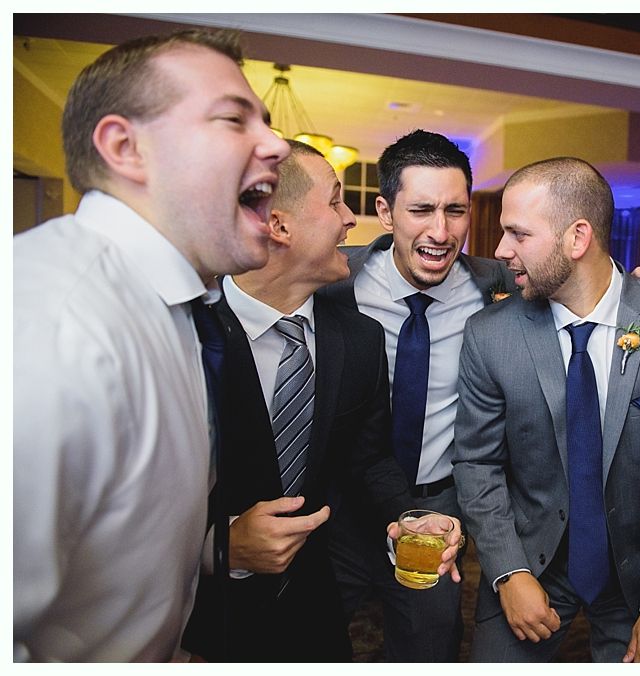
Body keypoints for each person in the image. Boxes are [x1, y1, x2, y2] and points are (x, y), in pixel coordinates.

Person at [320, 130, 640, 661]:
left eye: (456, 210)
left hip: (439, 508)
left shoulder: (498, 283)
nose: (441, 231)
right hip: (343, 505)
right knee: (310, 641)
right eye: (421, 210)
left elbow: (576, 271)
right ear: (385, 211)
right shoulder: (334, 281)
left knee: (429, 648)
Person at [13, 29, 289, 661]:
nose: (276, 145)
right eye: (232, 119)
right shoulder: (50, 325)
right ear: (124, 147)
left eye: (267, 123)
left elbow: (127, 531)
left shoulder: (178, 310)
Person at [180, 140, 463, 661]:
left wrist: (407, 515)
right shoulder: (185, 336)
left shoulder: (357, 339)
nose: (349, 220)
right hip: (194, 614)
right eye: (335, 201)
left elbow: (368, 455)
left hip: (311, 603)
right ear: (280, 226)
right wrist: (218, 548)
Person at [453, 157, 640, 662]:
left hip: (638, 573)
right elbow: (477, 463)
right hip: (531, 559)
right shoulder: (490, 335)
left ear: (577, 238)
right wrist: (509, 574)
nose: (500, 250)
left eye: (518, 234)